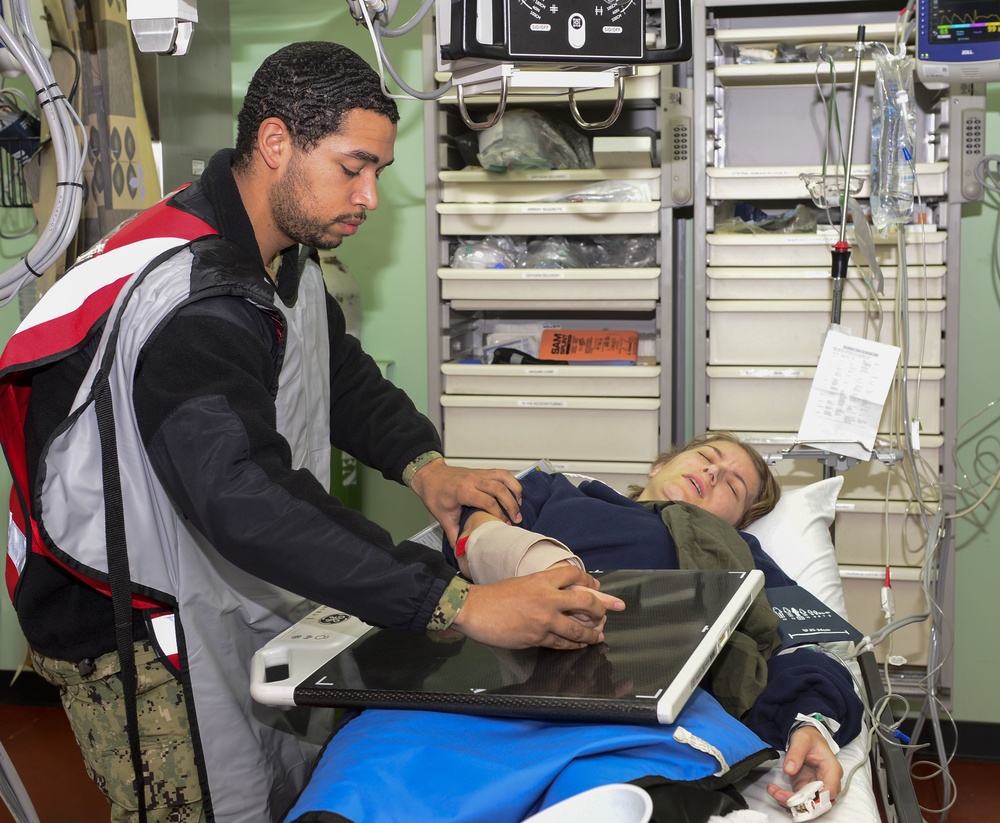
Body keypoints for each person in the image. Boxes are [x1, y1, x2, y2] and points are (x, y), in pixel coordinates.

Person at [0, 42, 617, 823]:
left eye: (379, 174)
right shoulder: (197, 302)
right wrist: (461, 603)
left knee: (281, 783)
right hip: (127, 626)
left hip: (210, 575)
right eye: (352, 167)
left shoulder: (278, 252)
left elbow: (333, 369)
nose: (368, 196)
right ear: (276, 143)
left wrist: (424, 464)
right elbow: (245, 498)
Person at [452, 432, 863, 811]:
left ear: (736, 521)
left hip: (634, 711)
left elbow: (800, 645)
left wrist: (812, 724)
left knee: (626, 796)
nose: (713, 473)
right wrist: (521, 558)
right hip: (494, 680)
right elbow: (476, 516)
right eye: (706, 457)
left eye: (733, 487)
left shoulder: (736, 552)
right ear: (658, 465)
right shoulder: (555, 491)